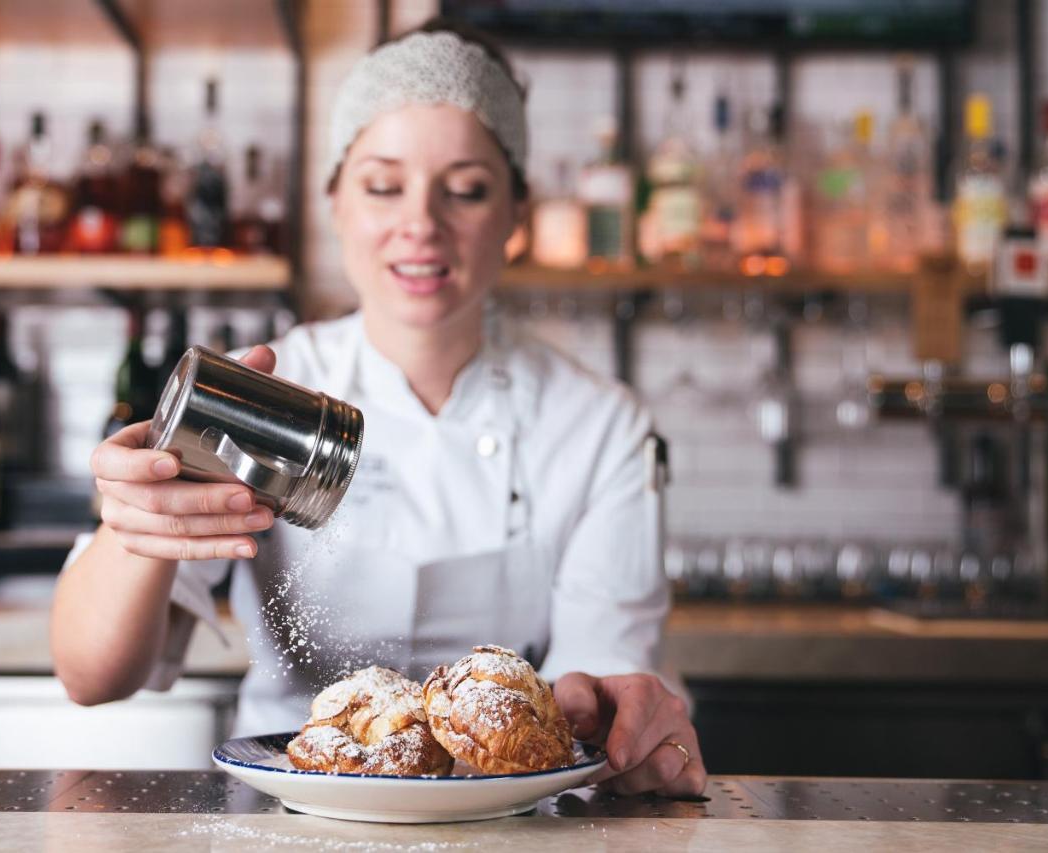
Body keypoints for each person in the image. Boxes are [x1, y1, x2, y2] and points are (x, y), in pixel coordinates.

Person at [53, 18, 706, 797]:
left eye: (465, 189)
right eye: (383, 184)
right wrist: (138, 525)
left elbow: (598, 685)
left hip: (514, 825)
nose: (421, 224)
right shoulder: (269, 394)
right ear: (334, 201)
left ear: (516, 217)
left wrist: (617, 711)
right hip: (288, 814)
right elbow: (91, 674)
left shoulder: (598, 426)